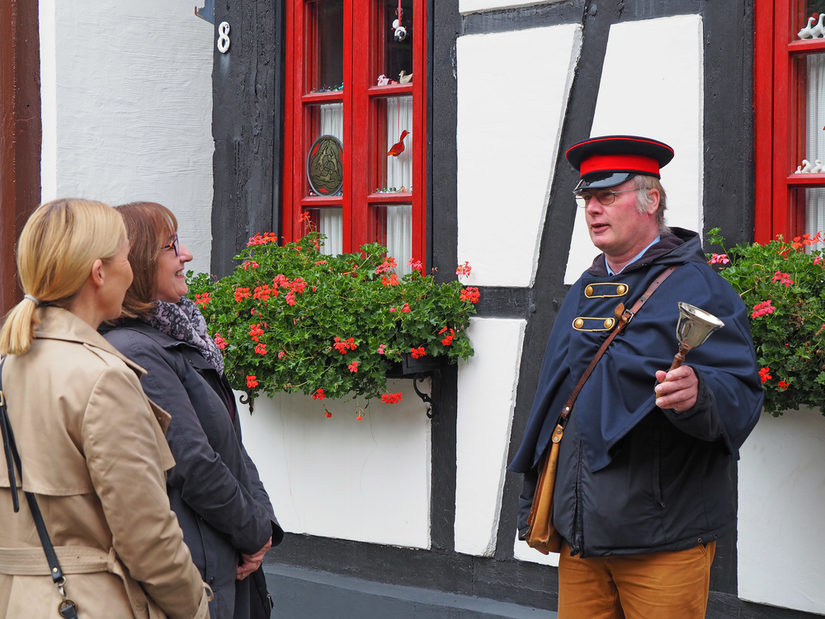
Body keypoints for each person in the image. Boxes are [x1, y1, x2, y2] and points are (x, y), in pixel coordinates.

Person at [509, 135, 764, 618]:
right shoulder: (586, 287)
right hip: (582, 533)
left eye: (608, 196)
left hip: (660, 538)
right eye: (588, 198)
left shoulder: (701, 288)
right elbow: (560, 400)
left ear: (652, 200)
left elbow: (743, 394)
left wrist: (699, 395)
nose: (593, 210)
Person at [0, 198, 211, 618]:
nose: (131, 270)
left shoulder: (10, 363)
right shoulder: (104, 379)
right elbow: (149, 539)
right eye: (126, 256)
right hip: (91, 604)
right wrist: (197, 608)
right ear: (99, 272)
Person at [102, 201, 283, 619]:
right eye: (171, 246)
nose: (186, 255)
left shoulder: (179, 336)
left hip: (220, 554)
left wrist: (263, 525)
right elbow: (194, 463)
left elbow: (230, 447)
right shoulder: (136, 349)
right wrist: (254, 533)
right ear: (139, 264)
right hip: (198, 564)